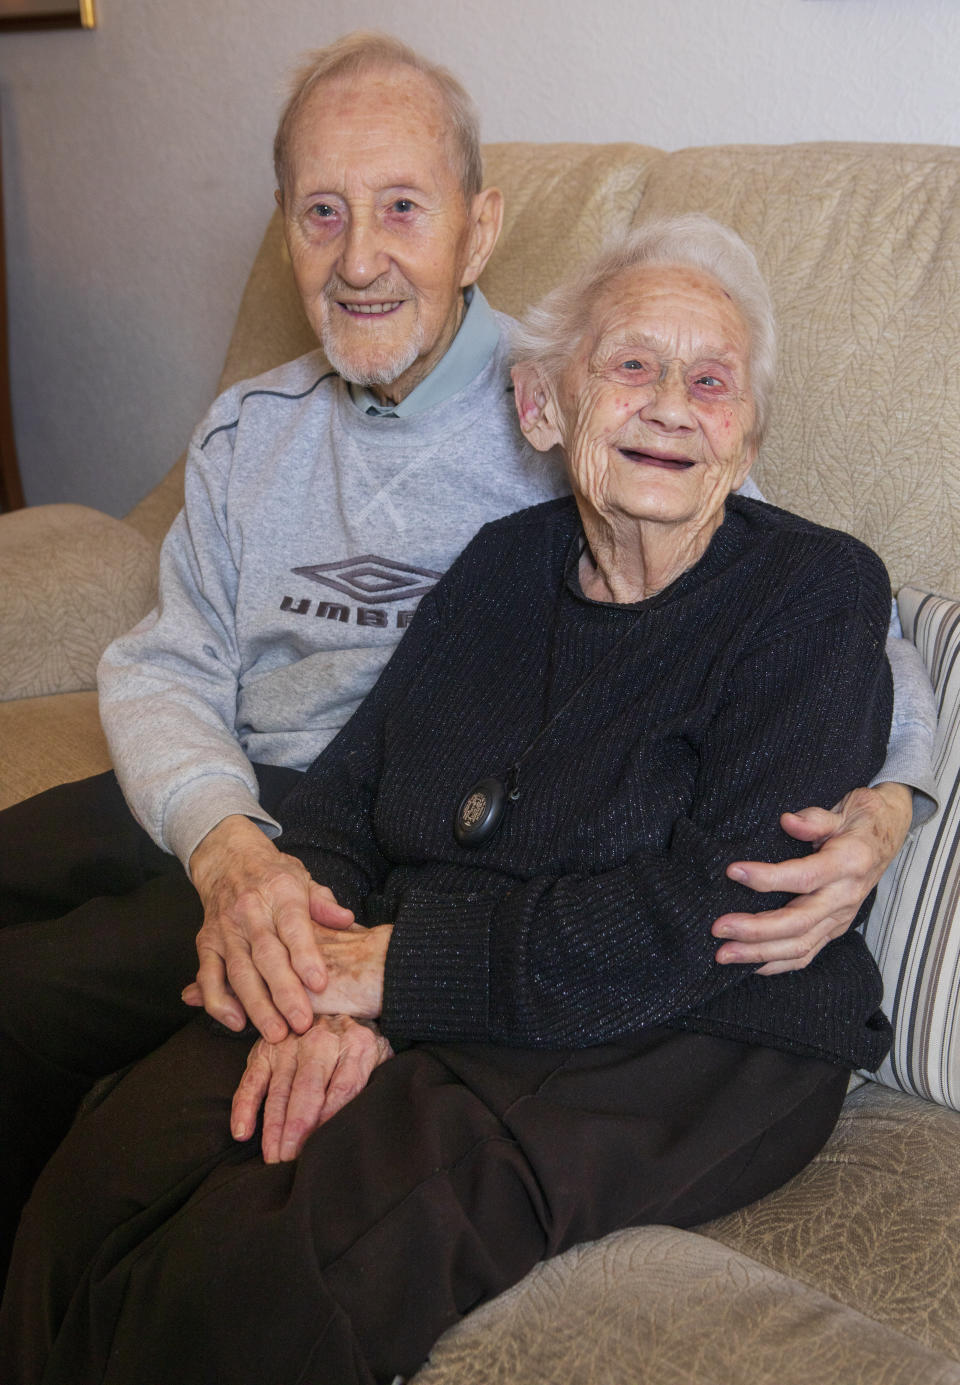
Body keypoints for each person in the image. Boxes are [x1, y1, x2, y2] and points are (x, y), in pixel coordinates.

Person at [0, 33, 933, 1284]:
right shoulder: (253, 427)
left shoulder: (597, 389)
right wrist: (228, 846)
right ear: (285, 231)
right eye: (322, 213)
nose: (362, 256)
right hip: (261, 799)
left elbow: (807, 608)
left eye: (402, 207)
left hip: (405, 839)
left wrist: (892, 799)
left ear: (478, 230)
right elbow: (170, 661)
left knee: (37, 1005)